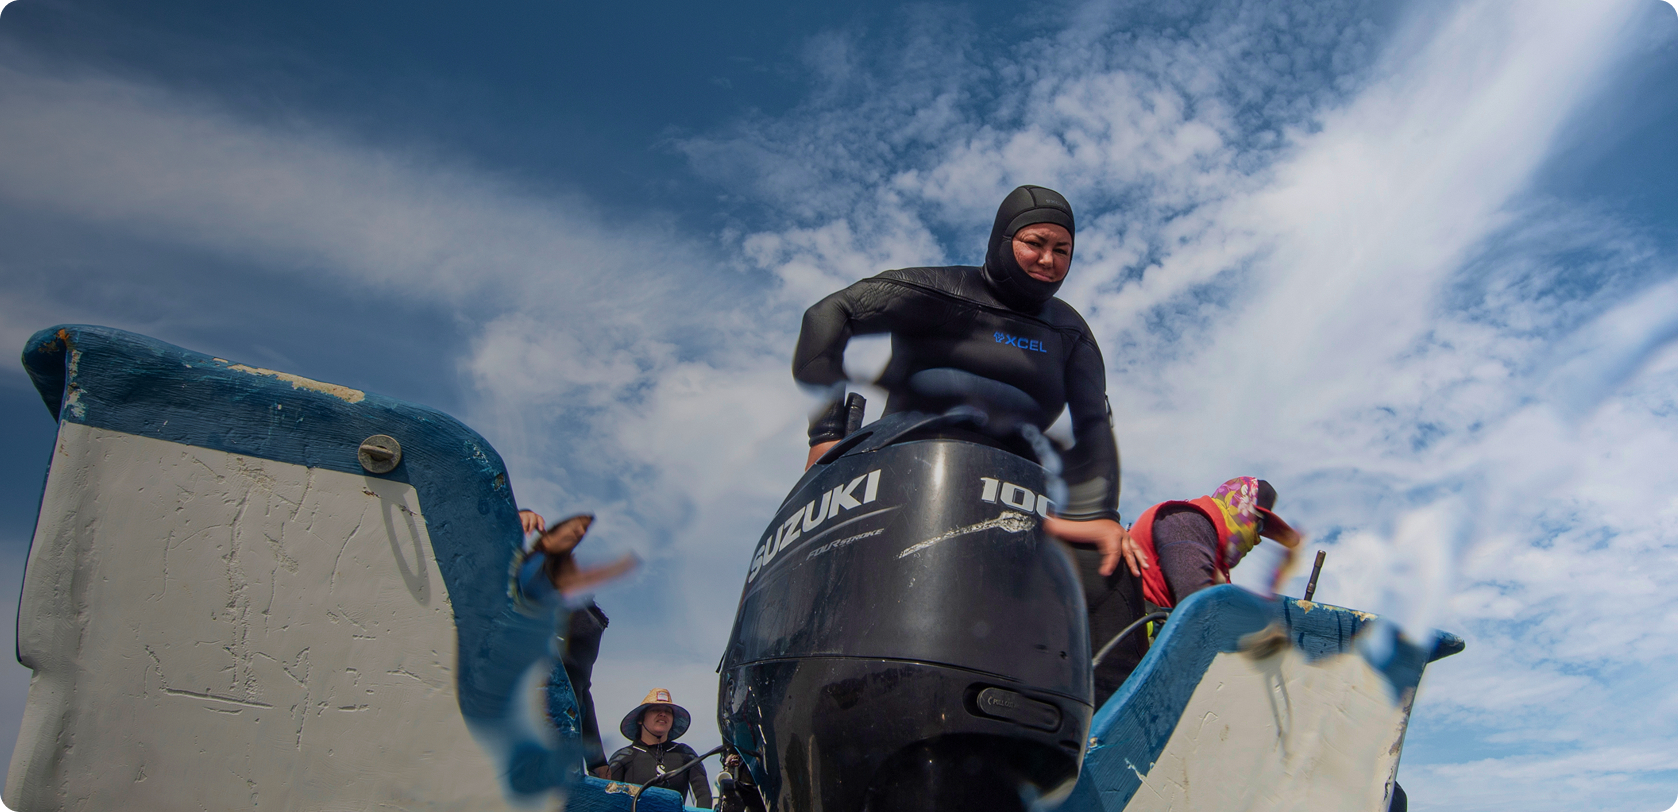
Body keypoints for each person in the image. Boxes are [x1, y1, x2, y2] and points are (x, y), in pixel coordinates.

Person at [792, 184, 1151, 702]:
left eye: (1062, 250)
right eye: (1035, 243)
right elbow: (830, 313)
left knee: (1110, 563)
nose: (1048, 260)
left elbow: (1093, 423)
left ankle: (1108, 725)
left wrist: (1102, 516)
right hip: (909, 473)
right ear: (1004, 239)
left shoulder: (1070, 333)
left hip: (1012, 489)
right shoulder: (941, 292)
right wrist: (827, 437)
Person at [514, 510, 631, 777]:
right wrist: (514, 518)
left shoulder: (590, 620)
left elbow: (581, 689)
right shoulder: (532, 584)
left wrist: (597, 761)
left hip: (562, 732)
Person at [1128, 477, 1303, 611]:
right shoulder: (1187, 523)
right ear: (1239, 505)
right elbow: (1200, 614)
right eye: (1258, 527)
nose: (1257, 540)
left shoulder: (1214, 561)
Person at [607, 689, 712, 808]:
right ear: (640, 719)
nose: (663, 714)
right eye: (655, 710)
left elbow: (703, 798)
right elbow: (605, 798)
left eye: (668, 711)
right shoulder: (624, 756)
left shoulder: (685, 754)